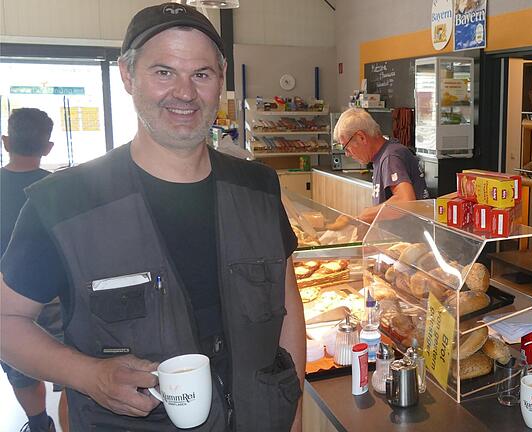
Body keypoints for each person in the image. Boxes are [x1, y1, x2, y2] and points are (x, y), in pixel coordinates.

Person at [0, 4, 305, 432]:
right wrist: (88, 375)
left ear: (220, 81)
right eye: (164, 72)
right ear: (127, 75)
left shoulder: (258, 188)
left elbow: (287, 309)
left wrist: (293, 414)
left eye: (201, 74)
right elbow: (6, 320)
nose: (184, 92)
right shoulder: (64, 203)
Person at [1, 108, 61, 432]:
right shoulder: (59, 189)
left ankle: (40, 424)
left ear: (6, 141)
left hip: (6, 297)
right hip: (56, 296)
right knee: (72, 367)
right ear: (48, 148)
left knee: (21, 368)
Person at [333, 108, 429, 223]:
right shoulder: (382, 156)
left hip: (409, 238)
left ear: (361, 137)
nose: (347, 154)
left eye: (346, 147)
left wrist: (363, 217)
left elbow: (405, 201)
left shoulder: (390, 157)